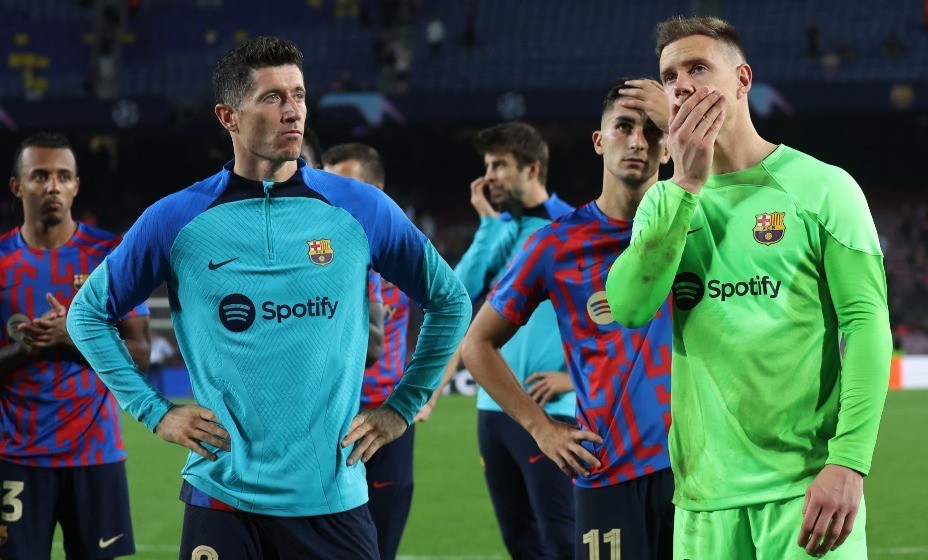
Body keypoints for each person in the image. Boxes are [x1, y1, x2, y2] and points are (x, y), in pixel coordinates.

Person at [66, 37, 470, 559]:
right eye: (273, 97)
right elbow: (87, 315)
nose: (293, 111)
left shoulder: (360, 207)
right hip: (222, 500)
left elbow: (450, 300)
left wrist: (402, 408)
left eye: (298, 95)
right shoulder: (176, 219)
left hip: (331, 501)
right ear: (228, 117)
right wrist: (154, 412)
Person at [605, 16, 892, 559]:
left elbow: (867, 325)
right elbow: (628, 308)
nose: (681, 86)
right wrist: (686, 184)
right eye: (669, 76)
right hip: (703, 503)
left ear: (742, 80)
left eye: (698, 68)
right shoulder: (664, 202)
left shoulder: (824, 188)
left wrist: (849, 462)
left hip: (807, 493)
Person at [461, 79, 674, 560]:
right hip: (606, 472)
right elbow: (477, 345)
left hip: (696, 473)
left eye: (654, 130)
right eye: (624, 127)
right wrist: (541, 428)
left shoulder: (696, 230)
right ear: (599, 141)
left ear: (670, 148)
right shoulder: (557, 244)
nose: (638, 142)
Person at [0, 132, 151, 559]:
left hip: (94, 453)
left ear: (76, 185)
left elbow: (141, 354)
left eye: (63, 176)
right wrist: (27, 348)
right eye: (40, 176)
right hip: (15, 455)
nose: (53, 186)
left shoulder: (110, 254)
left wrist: (72, 336)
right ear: (17, 186)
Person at [435, 122, 577, 559]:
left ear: (531, 169)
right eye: (487, 166)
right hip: (493, 411)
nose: (489, 177)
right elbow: (455, 295)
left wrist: (572, 379)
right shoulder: (500, 231)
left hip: (552, 409)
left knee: (562, 539)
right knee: (519, 541)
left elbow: (615, 321)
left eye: (499, 165)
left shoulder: (573, 227)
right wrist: (489, 224)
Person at [321, 142, 414, 560]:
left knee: (380, 547)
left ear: (375, 191)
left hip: (387, 418)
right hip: (327, 420)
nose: (330, 197)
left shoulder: (404, 250)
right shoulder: (313, 250)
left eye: (344, 185)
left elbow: (451, 311)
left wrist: (419, 393)